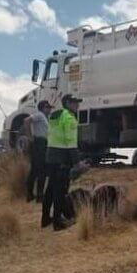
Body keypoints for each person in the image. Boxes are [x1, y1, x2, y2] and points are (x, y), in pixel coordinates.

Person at [43, 94, 82, 231]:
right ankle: (58, 222)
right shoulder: (70, 118)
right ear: (67, 103)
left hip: (51, 155)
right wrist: (77, 163)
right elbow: (71, 143)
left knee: (50, 189)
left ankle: (45, 218)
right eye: (74, 102)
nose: (77, 105)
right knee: (60, 191)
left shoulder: (55, 115)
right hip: (62, 158)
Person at [24, 100, 52, 203]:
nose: (49, 109)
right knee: (41, 170)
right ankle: (39, 196)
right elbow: (27, 120)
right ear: (43, 108)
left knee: (35, 170)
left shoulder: (45, 118)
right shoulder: (39, 115)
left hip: (43, 144)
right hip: (39, 144)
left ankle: (31, 194)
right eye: (47, 107)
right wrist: (29, 137)